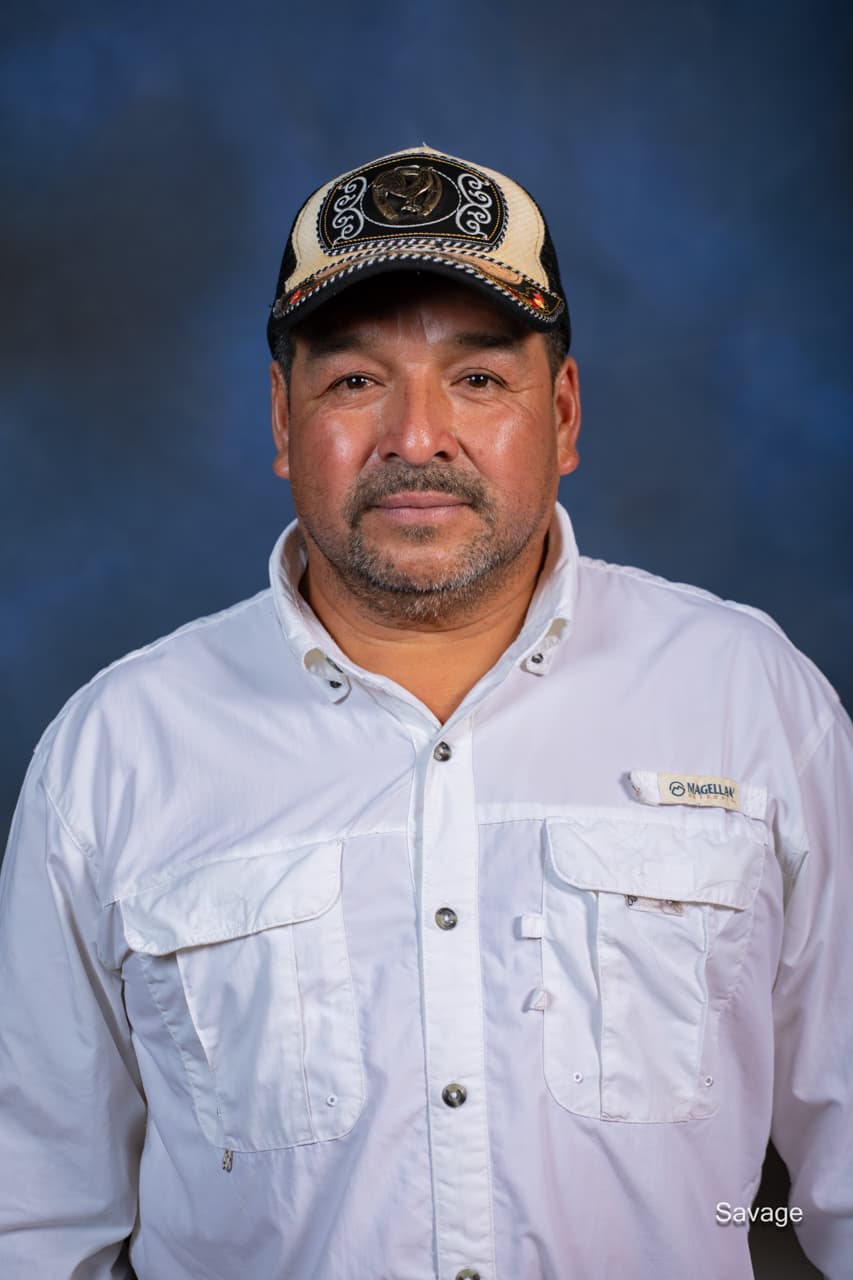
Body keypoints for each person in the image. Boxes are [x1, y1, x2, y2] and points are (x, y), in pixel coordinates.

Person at [0, 145, 850, 1280]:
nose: (414, 435)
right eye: (354, 380)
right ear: (280, 414)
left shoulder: (750, 699)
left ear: (563, 408)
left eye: (478, 379)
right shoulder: (115, 754)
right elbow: (36, 1219)